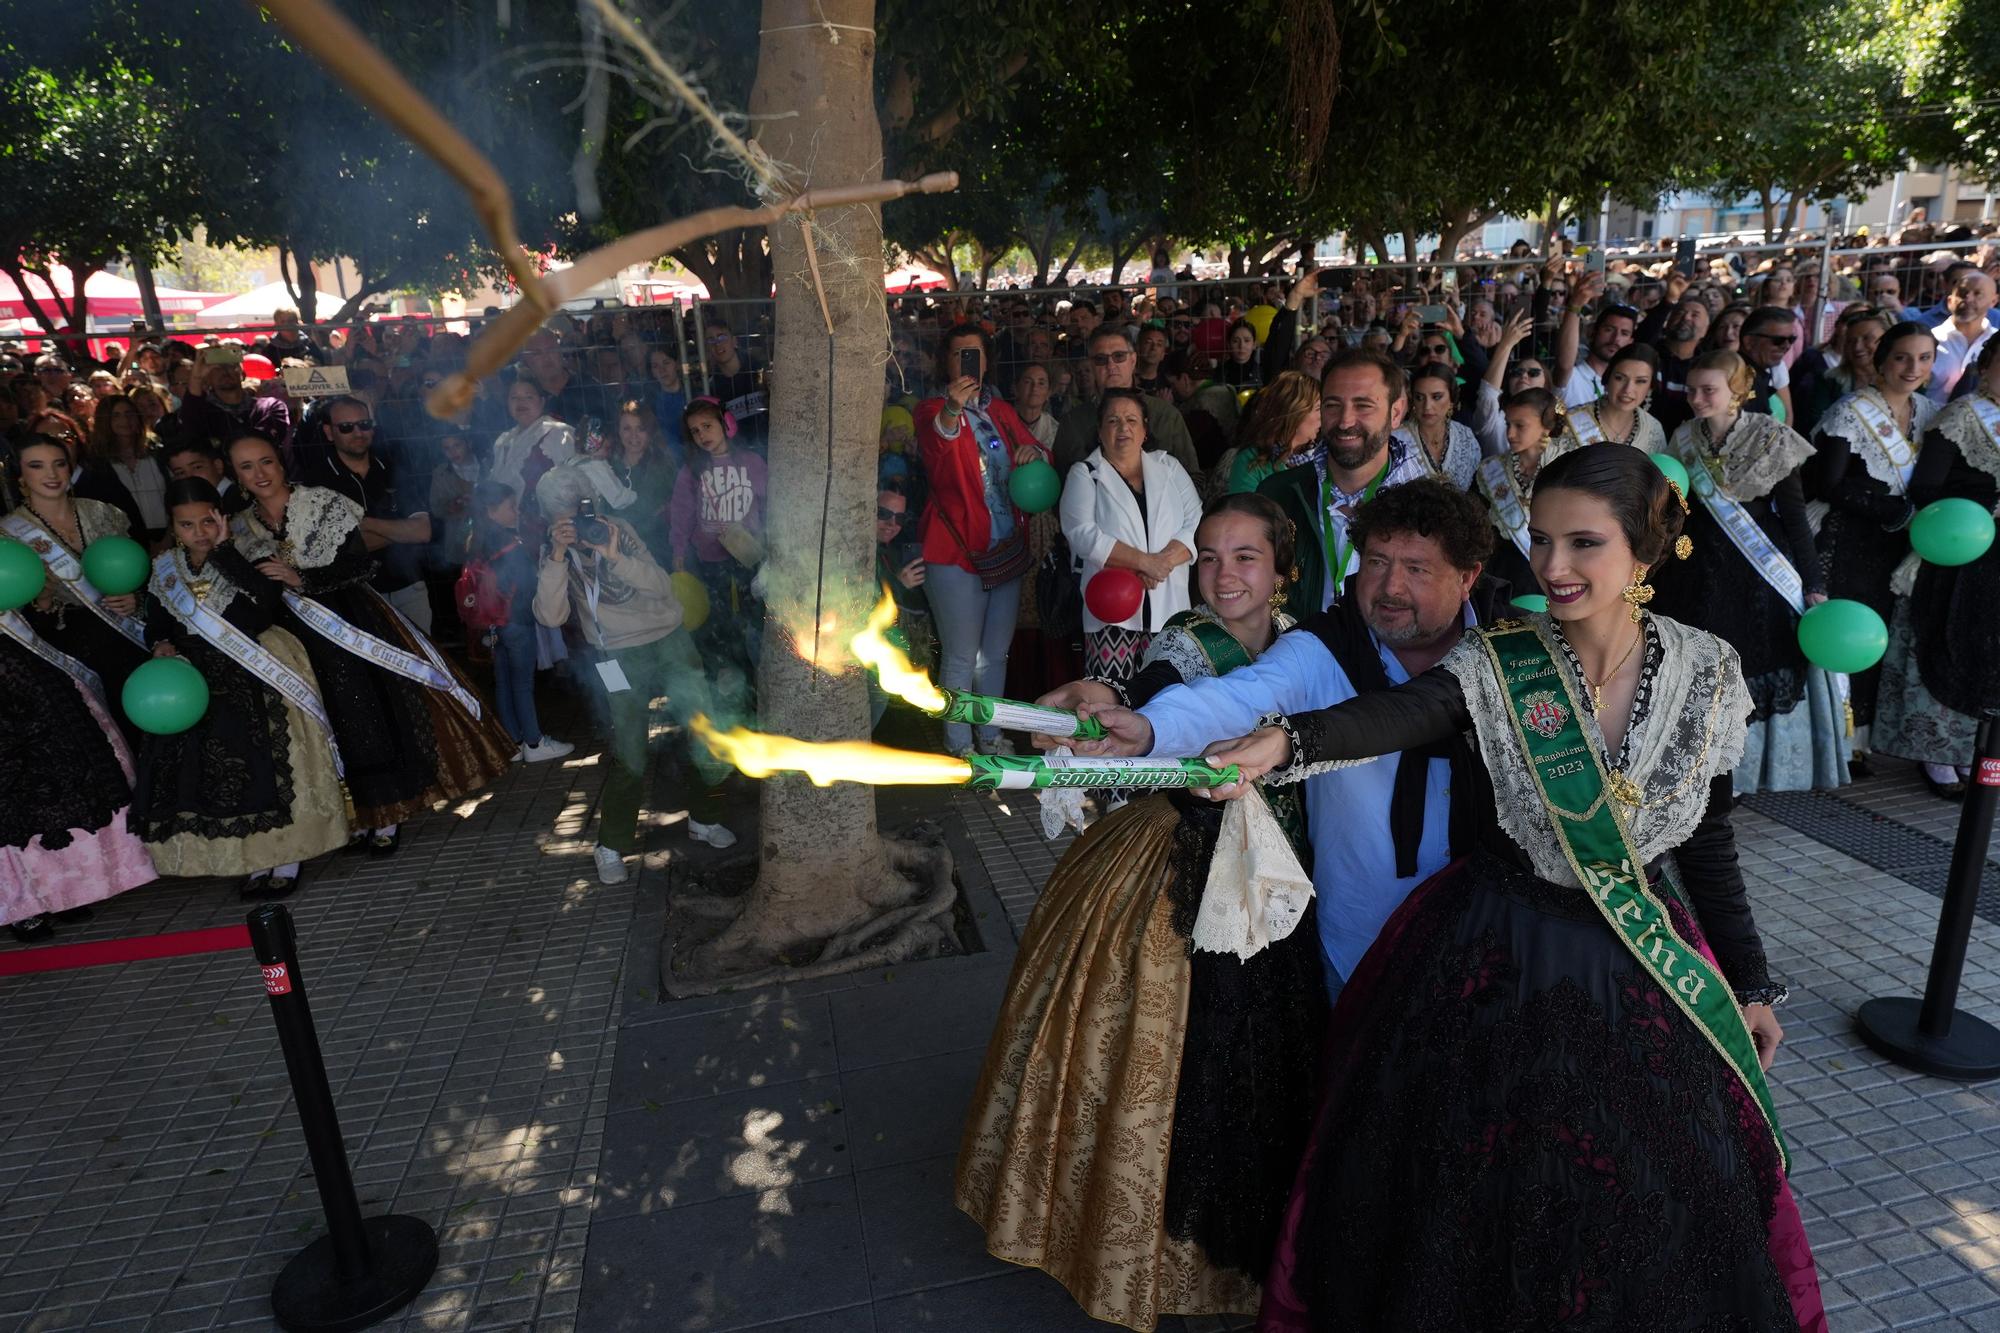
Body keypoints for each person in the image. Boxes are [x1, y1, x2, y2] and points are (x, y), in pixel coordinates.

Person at [1098, 447, 1824, 1332]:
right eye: (1544, 540)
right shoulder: (1504, 659)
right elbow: (1401, 712)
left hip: (1638, 968)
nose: (1554, 567)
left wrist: (1747, 978)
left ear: (1646, 551)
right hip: (1490, 956)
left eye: (1584, 544)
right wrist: (1282, 744)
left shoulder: (1708, 671)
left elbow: (1707, 837)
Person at [956, 495, 1326, 1330]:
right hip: (1176, 863)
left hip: (1278, 876)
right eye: (1210, 557)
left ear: (1281, 569)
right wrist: (1119, 714)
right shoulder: (1182, 644)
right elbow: (1154, 700)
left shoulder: (1310, 644)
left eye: (1245, 557)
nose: (1224, 574)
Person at [1089, 478, 1507, 1002]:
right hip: (1355, 942)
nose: (1390, 587)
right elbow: (1240, 694)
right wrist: (1149, 726)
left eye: (1417, 569)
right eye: (1375, 562)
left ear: (1468, 577)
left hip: (1481, 948)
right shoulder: (1321, 647)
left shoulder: (1506, 652)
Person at [227, 433, 514, 855]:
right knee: (328, 725)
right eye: (246, 467)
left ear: (281, 462)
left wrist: (302, 579)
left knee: (367, 717)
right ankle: (356, 815)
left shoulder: (323, 503)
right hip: (294, 638)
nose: (259, 474)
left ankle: (389, 813)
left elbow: (361, 564)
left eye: (266, 462)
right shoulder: (239, 527)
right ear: (235, 475)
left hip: (349, 625)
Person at [135, 479, 352, 899]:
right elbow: (157, 622)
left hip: (255, 671)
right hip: (194, 682)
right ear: (173, 527)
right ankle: (251, 858)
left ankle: (286, 855)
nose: (198, 531)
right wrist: (159, 644)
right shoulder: (166, 569)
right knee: (222, 773)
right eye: (186, 525)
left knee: (266, 765)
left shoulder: (253, 554)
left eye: (206, 521)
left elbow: (259, 612)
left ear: (222, 517)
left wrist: (223, 551)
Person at [1654, 351, 1847, 793]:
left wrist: (1814, 583)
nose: (1697, 398)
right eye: (1692, 390)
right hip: (1697, 571)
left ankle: (1746, 773)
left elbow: (1795, 517)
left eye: (1709, 390)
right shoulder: (1682, 438)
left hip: (1760, 575)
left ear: (1737, 392)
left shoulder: (1773, 437)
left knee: (1758, 662)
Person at [533, 467, 735, 881]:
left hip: (669, 639)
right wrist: (557, 556)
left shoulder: (618, 530)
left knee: (704, 732)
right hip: (616, 657)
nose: (575, 523)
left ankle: (706, 818)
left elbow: (661, 585)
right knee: (630, 752)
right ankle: (610, 845)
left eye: (578, 511)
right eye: (562, 515)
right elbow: (550, 616)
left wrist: (615, 555)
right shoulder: (553, 553)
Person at [1876, 338, 2000, 797]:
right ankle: (1937, 753)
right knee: (1950, 646)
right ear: (1985, 366)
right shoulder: (1961, 418)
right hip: (1961, 556)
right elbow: (1925, 490)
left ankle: (1976, 752)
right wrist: (1989, 505)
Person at [1811, 322, 1940, 755]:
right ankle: (1835, 742)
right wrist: (1894, 511)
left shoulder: (1929, 411)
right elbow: (1829, 483)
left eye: (1924, 358)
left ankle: (1862, 740)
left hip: (1897, 546)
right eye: (1902, 356)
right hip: (1849, 542)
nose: (1912, 367)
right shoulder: (1851, 411)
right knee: (1847, 635)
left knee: (1878, 638)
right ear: (1882, 358)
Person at [917, 326, 1043, 756]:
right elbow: (940, 444)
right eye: (959, 354)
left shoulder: (1003, 412)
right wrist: (953, 408)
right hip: (954, 552)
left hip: (1003, 550)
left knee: (994, 655)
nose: (968, 361)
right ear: (945, 362)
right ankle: (958, 744)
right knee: (959, 655)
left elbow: (1037, 454)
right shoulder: (932, 409)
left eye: (975, 353)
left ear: (986, 361)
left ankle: (989, 737)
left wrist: (1032, 455)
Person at [0, 614, 156, 944]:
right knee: (13, 807)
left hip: (30, 677)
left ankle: (61, 892)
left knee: (61, 793)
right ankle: (24, 906)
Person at [3, 435, 150, 743]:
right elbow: (15, 621)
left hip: (127, 638)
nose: (52, 474)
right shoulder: (8, 534)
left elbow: (142, 572)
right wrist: (43, 599)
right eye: (37, 466)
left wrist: (135, 597)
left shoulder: (103, 512)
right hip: (68, 654)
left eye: (59, 464)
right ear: (20, 477)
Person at [1258, 348, 1424, 618]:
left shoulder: (1429, 508)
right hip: (1297, 654)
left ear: (1396, 413)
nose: (1345, 421)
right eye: (1333, 405)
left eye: (1363, 405)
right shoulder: (1277, 495)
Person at [1060, 387, 1205, 685]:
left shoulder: (1169, 467)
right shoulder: (1085, 473)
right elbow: (1082, 534)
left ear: (1145, 430)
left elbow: (1196, 521)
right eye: (1112, 421)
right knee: (1110, 704)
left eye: (1131, 420)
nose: (1123, 427)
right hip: (1112, 613)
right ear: (1100, 431)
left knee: (1167, 699)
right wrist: (1144, 563)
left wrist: (1159, 564)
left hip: (1169, 610)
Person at [300, 395, 436, 633]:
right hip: (356, 595)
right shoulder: (316, 483)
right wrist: (400, 530)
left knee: (423, 665)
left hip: (409, 588)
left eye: (364, 424)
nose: (358, 432)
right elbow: (336, 549)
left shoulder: (395, 468)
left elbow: (423, 532)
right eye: (346, 427)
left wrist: (364, 523)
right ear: (329, 432)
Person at [666, 397, 765, 713]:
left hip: (749, 559)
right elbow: (681, 515)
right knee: (723, 629)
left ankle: (758, 688)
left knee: (753, 626)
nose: (702, 435)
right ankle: (735, 696)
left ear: (727, 424)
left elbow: (769, 502)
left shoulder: (751, 463)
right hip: (711, 562)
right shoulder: (691, 472)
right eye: (695, 431)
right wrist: (678, 551)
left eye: (707, 426)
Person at [468, 479, 573, 763]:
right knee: (523, 684)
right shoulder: (510, 545)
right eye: (511, 506)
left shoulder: (476, 542)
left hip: (492, 625)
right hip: (517, 622)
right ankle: (535, 743)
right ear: (492, 511)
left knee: (503, 682)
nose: (516, 511)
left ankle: (513, 743)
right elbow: (527, 586)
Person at [1052, 327, 1201, 476]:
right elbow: (1060, 485)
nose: (1111, 365)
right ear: (1092, 366)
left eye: (1119, 356)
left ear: (1133, 360)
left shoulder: (1165, 416)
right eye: (1101, 359)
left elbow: (1193, 477)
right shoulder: (1072, 422)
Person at [1473, 387, 1562, 596]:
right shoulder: (1491, 470)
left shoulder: (1567, 467)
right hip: (1502, 577)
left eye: (1520, 426)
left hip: (1551, 572)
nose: (1510, 433)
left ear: (1546, 427)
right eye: (1508, 424)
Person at [489, 376, 577, 539]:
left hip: (545, 531)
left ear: (542, 401)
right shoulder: (503, 441)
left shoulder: (557, 433)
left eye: (529, 396)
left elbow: (571, 486)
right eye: (514, 397)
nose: (521, 402)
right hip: (505, 534)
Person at [1547, 342, 1666, 463]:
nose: (1628, 389)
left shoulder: (1653, 430)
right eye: (1619, 378)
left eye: (1640, 381)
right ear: (1607, 377)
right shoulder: (1571, 422)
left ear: (1651, 386)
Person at [1220, 369, 1321, 497]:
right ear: (1295, 413)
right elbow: (1244, 514)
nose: (1322, 416)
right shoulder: (1250, 462)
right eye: (1318, 409)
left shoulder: (1323, 457)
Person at [87, 394, 168, 544]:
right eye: (115, 415)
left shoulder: (158, 455)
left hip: (167, 537)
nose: (124, 420)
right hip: (125, 542)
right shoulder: (95, 465)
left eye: (129, 414)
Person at [1553, 273, 1638, 409]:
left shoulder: (1628, 387)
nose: (1615, 338)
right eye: (1609, 329)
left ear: (1630, 342)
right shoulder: (1573, 378)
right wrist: (1575, 304)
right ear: (1592, 332)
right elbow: (1564, 365)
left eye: (1624, 333)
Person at [1393, 363, 1480, 489]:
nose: (1427, 406)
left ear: (1451, 400)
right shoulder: (1396, 439)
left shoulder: (1465, 437)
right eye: (1419, 397)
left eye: (1437, 397)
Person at [1928, 268, 1997, 403]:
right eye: (1962, 293)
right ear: (1949, 300)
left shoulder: (1997, 343)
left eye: (1978, 294)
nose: (1968, 298)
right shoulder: (1930, 341)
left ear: (1993, 301)